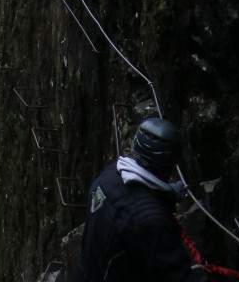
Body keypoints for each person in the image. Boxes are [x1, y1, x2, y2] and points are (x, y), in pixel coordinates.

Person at [73, 117, 192, 282]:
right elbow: (177, 275)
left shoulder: (109, 177)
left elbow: (127, 206)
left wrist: (167, 194)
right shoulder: (151, 221)